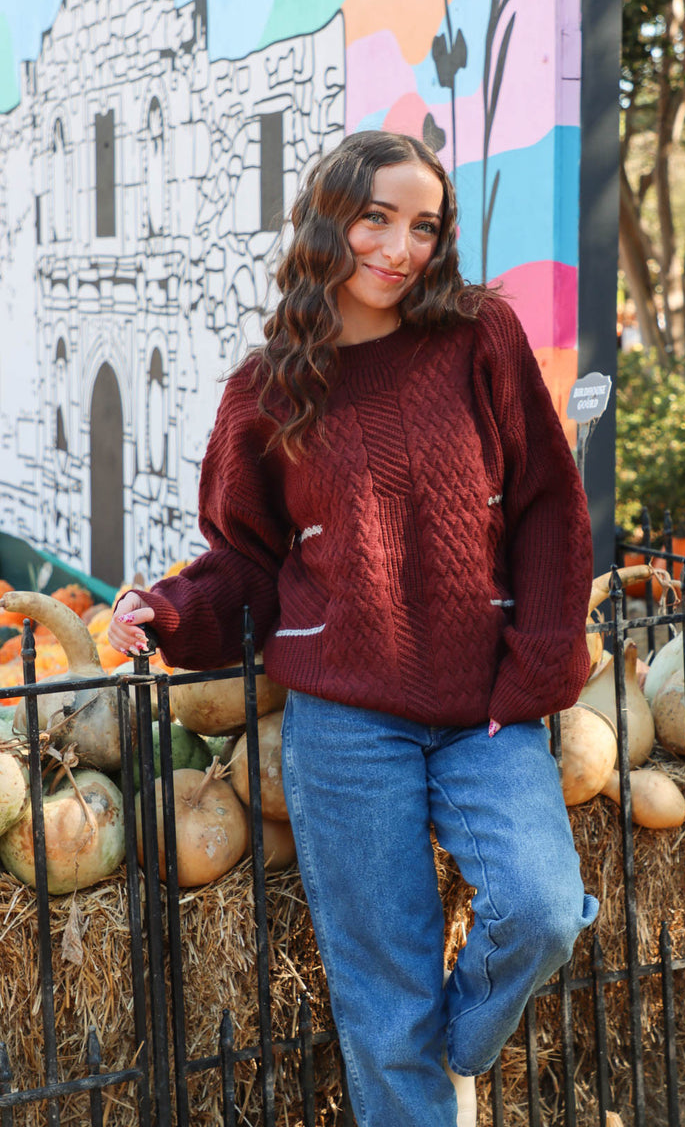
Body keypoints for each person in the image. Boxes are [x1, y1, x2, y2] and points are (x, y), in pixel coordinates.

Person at [109, 130, 599, 1127]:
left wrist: (537, 667)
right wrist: (169, 614)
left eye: (423, 225)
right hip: (344, 727)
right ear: (326, 220)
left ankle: (458, 1046)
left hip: (484, 716)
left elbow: (549, 503)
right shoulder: (266, 390)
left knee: (543, 911)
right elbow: (247, 562)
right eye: (375, 216)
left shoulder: (476, 338)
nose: (397, 247)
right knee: (384, 1009)